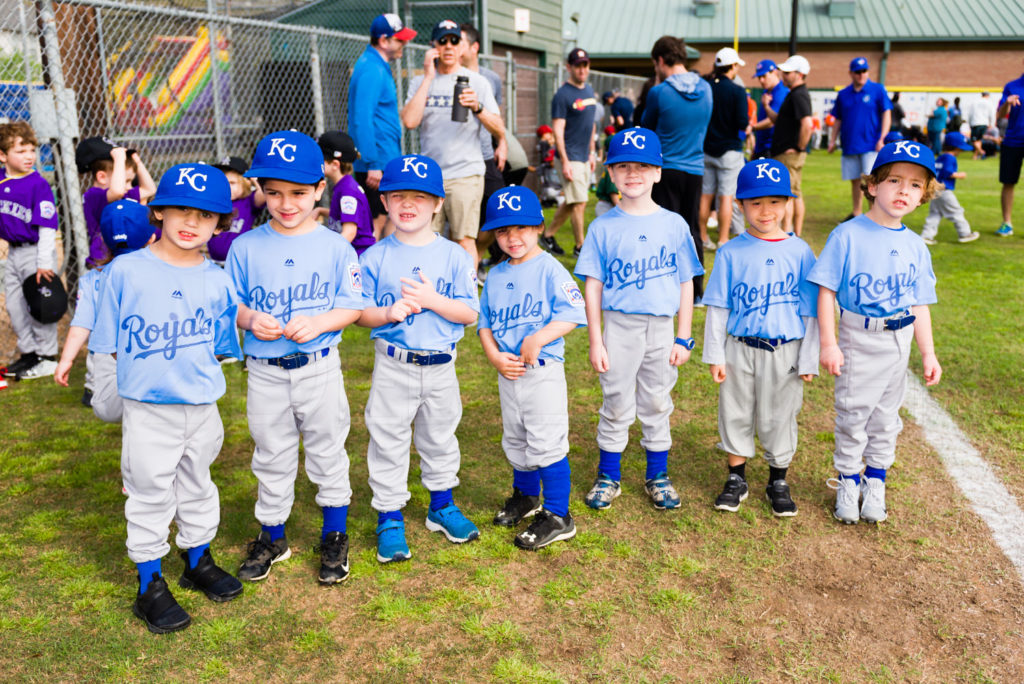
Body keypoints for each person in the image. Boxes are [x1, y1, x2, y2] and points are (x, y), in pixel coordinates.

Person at [90, 163, 244, 633]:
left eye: (205, 214)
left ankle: (197, 560)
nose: (191, 222)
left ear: (220, 223)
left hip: (200, 405)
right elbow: (108, 342)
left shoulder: (217, 279)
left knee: (198, 483)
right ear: (157, 211)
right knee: (150, 493)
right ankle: (149, 585)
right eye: (180, 208)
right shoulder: (126, 270)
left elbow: (220, 347)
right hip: (147, 406)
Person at [229, 130, 365, 586]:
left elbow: (354, 305)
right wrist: (249, 319)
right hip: (265, 371)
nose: (287, 203)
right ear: (260, 192)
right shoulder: (245, 246)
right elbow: (231, 305)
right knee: (271, 453)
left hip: (319, 366)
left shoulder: (336, 247)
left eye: (299, 193)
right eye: (274, 192)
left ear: (320, 189)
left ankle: (334, 534)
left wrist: (323, 322)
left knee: (328, 449)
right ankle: (272, 536)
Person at [809, 141, 943, 524]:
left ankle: (876, 480)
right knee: (853, 414)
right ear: (871, 186)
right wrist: (830, 343)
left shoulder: (917, 246)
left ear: (923, 196)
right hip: (857, 336)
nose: (904, 191)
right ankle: (849, 480)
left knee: (886, 417)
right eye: (895, 180)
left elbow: (920, 304)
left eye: (916, 185)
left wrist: (928, 354)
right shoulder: (848, 235)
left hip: (899, 339)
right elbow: (826, 290)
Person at [357, 154, 481, 563]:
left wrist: (432, 300)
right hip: (394, 363)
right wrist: (387, 314)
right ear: (386, 202)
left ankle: (441, 505)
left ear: (438, 203)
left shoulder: (455, 256)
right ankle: (389, 515)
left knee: (441, 435)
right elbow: (360, 314)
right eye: (398, 196)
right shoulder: (374, 257)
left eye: (419, 197)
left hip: (441, 364)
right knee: (388, 437)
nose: (408, 204)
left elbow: (470, 313)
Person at [574, 127, 703, 511]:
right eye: (624, 166)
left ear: (658, 172)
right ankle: (608, 475)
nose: (634, 173)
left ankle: (657, 474)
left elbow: (686, 283)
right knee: (615, 400)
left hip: (662, 327)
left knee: (657, 400)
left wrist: (683, 337)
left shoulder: (675, 224)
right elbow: (593, 288)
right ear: (610, 173)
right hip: (619, 325)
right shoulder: (602, 227)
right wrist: (596, 340)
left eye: (643, 166)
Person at [702, 158, 818, 517]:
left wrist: (809, 358)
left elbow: (810, 312)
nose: (765, 211)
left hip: (786, 349)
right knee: (735, 411)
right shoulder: (730, 251)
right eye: (755, 202)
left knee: (780, 414)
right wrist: (715, 355)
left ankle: (777, 478)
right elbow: (719, 308)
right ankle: (736, 477)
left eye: (774, 202)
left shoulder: (800, 251)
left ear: (788, 203)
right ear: (740, 205)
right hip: (739, 347)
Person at [477, 186, 587, 550]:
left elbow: (574, 313)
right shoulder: (493, 275)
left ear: (539, 226)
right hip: (508, 371)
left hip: (542, 372)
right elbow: (485, 325)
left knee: (546, 440)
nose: (512, 237)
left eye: (521, 227)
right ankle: (526, 496)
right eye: (503, 231)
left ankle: (558, 514)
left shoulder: (550, 269)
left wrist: (539, 337)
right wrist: (494, 356)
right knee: (517, 437)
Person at [401, 19, 504, 270]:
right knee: (426, 239)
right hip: (430, 176)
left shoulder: (477, 82)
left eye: (454, 40)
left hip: (465, 173)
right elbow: (410, 121)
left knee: (464, 240)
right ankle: (432, 293)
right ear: (433, 45)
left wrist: (477, 108)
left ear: (462, 46)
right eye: (443, 40)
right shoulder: (420, 82)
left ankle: (467, 300)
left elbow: (500, 128)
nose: (448, 46)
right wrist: (427, 76)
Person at [54, 199, 155, 420]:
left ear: (106, 242)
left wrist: (66, 360)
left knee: (116, 411)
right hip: (151, 353)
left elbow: (81, 324)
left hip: (108, 359)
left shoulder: (93, 279)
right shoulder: (163, 274)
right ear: (152, 237)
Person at [641, 35, 712, 302]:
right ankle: (696, 291)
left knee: (664, 230)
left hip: (667, 168)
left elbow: (646, 130)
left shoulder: (659, 92)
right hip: (695, 169)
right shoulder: (706, 89)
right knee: (692, 228)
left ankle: (667, 288)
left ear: (660, 60)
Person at [0, 122, 61, 381]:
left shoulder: (38, 184)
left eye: (32, 150)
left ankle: (47, 357)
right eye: (20, 151)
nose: (29, 156)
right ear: (3, 156)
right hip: (12, 253)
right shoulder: (2, 182)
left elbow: (47, 226)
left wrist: (44, 261)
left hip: (37, 252)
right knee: (15, 306)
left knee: (40, 306)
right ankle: (29, 353)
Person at [348, 13, 416, 238]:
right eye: (399, 40)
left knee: (387, 218)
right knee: (374, 222)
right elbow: (362, 117)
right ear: (384, 41)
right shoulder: (371, 69)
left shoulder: (376, 65)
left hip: (383, 158)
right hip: (375, 162)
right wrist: (372, 163)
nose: (404, 44)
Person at [460, 22, 508, 282]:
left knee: (499, 211)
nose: (453, 46)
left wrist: (503, 142)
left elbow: (497, 118)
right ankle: (468, 267)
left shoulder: (491, 79)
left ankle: (478, 254)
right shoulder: (445, 76)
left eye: (459, 41)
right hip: (459, 163)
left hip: (486, 155)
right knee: (463, 224)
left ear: (474, 47)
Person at [540, 47, 597, 258]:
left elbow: (591, 125)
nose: (582, 69)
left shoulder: (589, 91)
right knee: (580, 202)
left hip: (584, 156)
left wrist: (592, 152)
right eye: (578, 65)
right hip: (569, 156)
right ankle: (580, 247)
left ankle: (547, 235)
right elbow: (558, 130)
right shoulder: (562, 95)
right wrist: (563, 160)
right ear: (569, 67)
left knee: (574, 200)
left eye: (585, 65)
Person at [75, 135, 156, 268]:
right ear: (101, 177)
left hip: (127, 257)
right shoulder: (93, 196)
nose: (130, 187)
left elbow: (150, 189)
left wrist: (138, 162)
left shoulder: (124, 194)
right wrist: (119, 159)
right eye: (126, 181)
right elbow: (117, 191)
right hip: (103, 261)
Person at [828, 57, 893, 220]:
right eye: (857, 72)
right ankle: (857, 213)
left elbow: (886, 112)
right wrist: (832, 140)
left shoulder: (877, 90)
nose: (861, 75)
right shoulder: (843, 94)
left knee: (871, 181)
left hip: (871, 143)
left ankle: (874, 214)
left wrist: (883, 137)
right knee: (854, 180)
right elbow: (838, 119)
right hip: (850, 143)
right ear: (851, 73)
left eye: (864, 71)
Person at [700, 47, 750, 248]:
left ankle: (702, 237)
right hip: (729, 151)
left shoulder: (706, 88)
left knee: (706, 196)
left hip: (707, 149)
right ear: (733, 66)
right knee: (726, 197)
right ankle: (722, 239)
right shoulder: (737, 91)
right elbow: (742, 122)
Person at [767, 55, 814, 237]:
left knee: (789, 195)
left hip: (789, 154)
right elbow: (780, 122)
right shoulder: (794, 94)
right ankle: (792, 233)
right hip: (785, 152)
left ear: (800, 74)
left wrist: (799, 147)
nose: (783, 75)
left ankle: (788, 233)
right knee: (795, 192)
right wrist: (768, 107)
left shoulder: (799, 95)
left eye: (788, 72)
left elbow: (808, 124)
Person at [317, 130, 375, 255]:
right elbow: (346, 216)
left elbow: (349, 232)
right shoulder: (344, 185)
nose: (317, 163)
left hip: (358, 256)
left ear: (335, 164)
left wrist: (327, 254)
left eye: (321, 159)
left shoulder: (347, 192)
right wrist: (320, 211)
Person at [921, 131, 979, 245]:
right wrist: (960, 175)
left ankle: (926, 235)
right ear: (956, 147)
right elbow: (948, 172)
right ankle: (965, 233)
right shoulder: (950, 158)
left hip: (935, 189)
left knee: (935, 213)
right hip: (944, 190)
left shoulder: (940, 157)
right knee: (956, 211)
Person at [206, 156, 265, 267]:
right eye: (223, 182)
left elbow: (264, 194)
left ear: (245, 183)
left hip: (240, 263)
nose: (227, 187)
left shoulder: (248, 202)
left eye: (232, 183)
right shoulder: (215, 202)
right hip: (214, 263)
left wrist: (253, 179)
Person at [996, 64, 1023, 237]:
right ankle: (1007, 223)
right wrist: (1007, 103)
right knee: (1008, 182)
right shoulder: (1012, 86)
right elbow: (1000, 114)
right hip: (1013, 141)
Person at [752, 59, 789, 161]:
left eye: (764, 76)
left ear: (775, 72)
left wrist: (751, 128)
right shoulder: (767, 92)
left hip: (771, 148)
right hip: (761, 147)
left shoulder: (781, 92)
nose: (761, 80)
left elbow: (772, 121)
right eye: (759, 77)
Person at [967, 91, 996, 160]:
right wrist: (991, 124)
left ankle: (982, 152)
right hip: (984, 123)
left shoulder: (975, 102)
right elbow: (992, 114)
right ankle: (975, 156)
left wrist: (969, 123)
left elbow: (970, 114)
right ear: (988, 95)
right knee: (979, 139)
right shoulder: (989, 102)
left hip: (975, 123)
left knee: (974, 140)